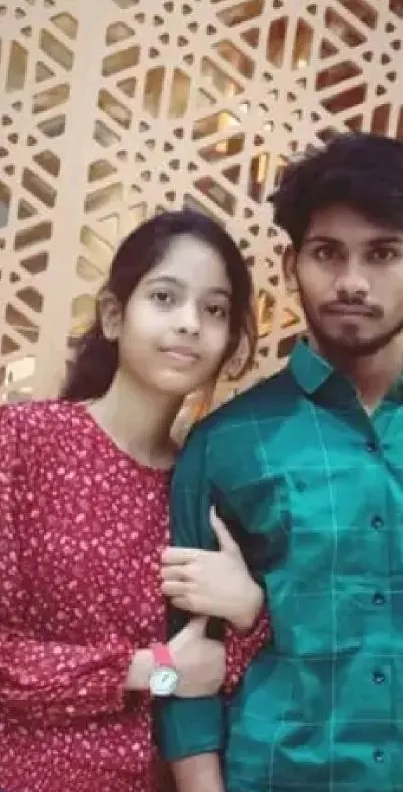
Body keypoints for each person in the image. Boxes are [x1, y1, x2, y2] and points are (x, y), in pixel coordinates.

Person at [158, 133, 403, 792]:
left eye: (382, 253)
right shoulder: (226, 443)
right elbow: (179, 660)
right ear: (293, 261)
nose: (352, 280)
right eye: (327, 253)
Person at [0, 209, 269, 792]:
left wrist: (248, 611)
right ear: (115, 316)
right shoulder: (22, 441)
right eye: (166, 297)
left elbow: (222, 671)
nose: (190, 324)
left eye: (214, 309)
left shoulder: (205, 488)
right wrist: (154, 671)